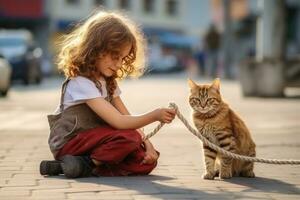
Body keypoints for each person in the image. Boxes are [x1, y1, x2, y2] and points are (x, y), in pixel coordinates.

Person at [40, 10, 176, 178]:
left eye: (123, 59)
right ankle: (87, 164)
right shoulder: (80, 82)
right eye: (115, 56)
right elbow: (119, 122)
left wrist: (147, 144)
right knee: (129, 138)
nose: (119, 64)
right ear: (96, 48)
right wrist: (154, 115)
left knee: (145, 159)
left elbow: (127, 116)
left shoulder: (108, 83)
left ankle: (69, 167)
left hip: (98, 143)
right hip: (70, 143)